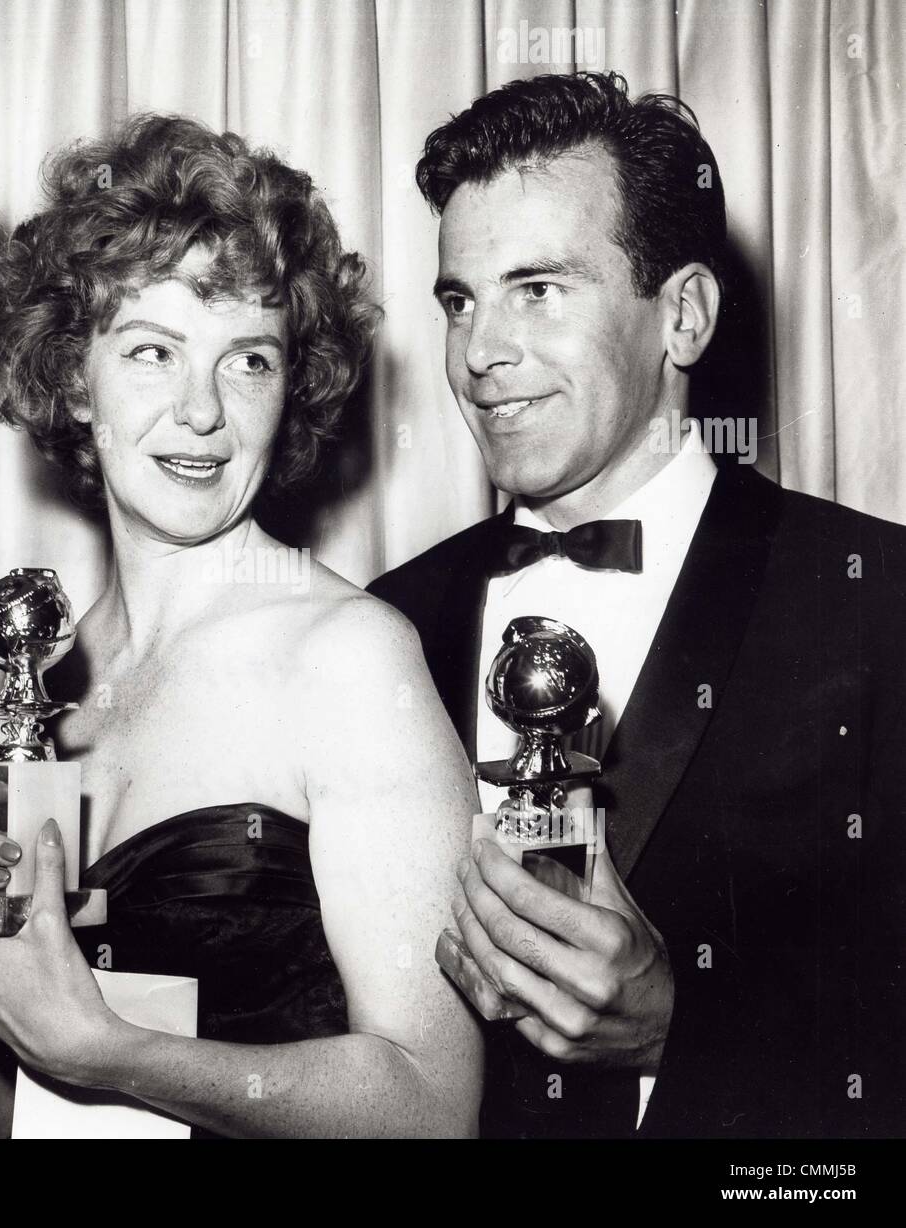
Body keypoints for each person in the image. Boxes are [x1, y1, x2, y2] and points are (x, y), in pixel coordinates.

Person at [0, 115, 483, 1138]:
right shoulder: (23, 682)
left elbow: (435, 1106)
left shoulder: (347, 658)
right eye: (153, 351)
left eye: (247, 359)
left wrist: (109, 1051)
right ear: (75, 376)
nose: (202, 411)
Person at [368, 71, 906, 1138]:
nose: (480, 354)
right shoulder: (388, 625)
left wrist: (683, 1026)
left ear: (684, 316)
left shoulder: (876, 603)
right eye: (459, 300)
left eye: (538, 288)